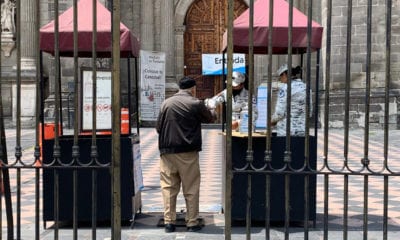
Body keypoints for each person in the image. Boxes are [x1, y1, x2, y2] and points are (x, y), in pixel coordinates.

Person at [156, 76, 216, 233]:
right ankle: (192, 222)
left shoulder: (166, 103)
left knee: (168, 187)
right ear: (193, 89)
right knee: (191, 187)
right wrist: (212, 109)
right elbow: (210, 119)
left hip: (167, 151)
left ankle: (169, 222)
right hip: (187, 151)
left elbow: (158, 127)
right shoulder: (196, 103)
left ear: (179, 88)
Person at [271, 63, 312, 136]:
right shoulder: (306, 88)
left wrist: (271, 121)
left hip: (286, 132)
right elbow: (309, 111)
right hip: (302, 131)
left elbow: (279, 113)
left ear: (284, 74)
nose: (280, 79)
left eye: (280, 76)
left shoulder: (285, 88)